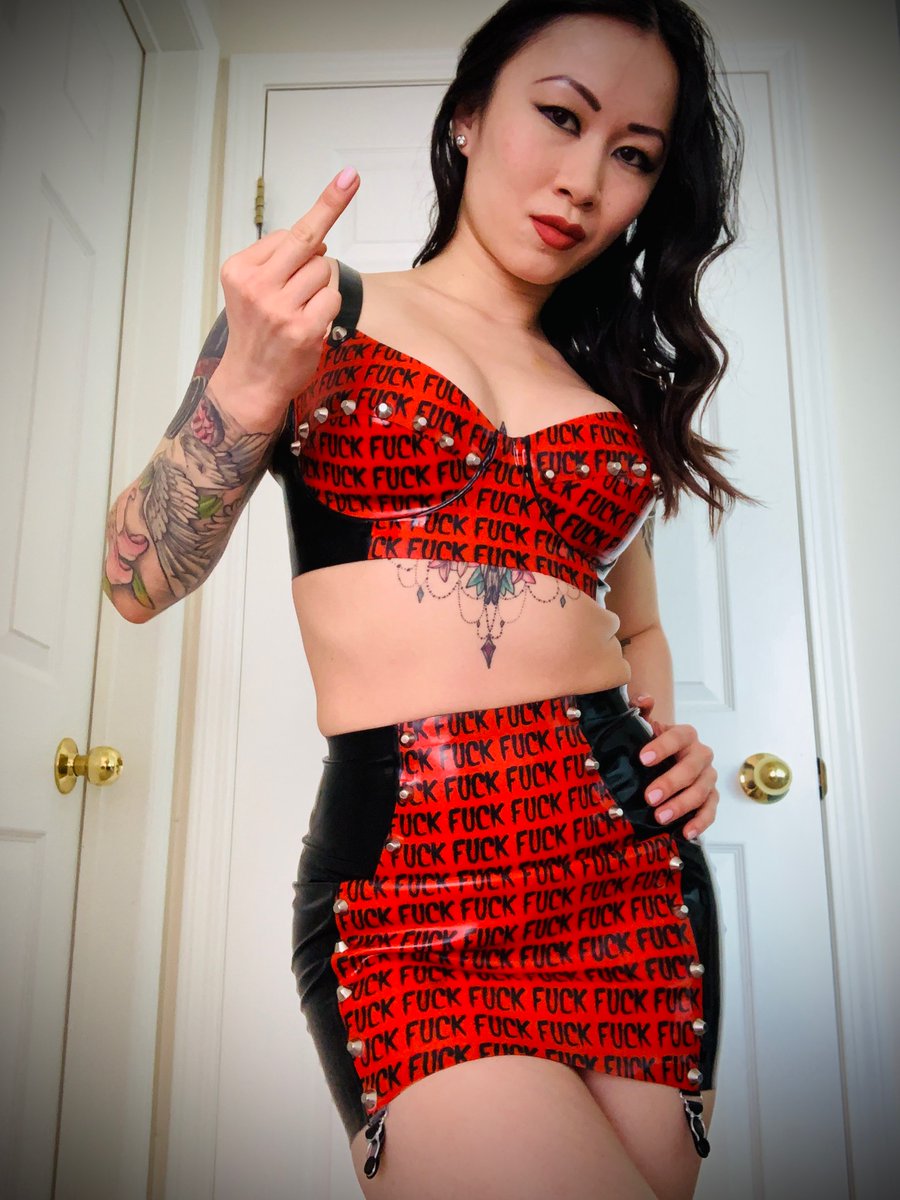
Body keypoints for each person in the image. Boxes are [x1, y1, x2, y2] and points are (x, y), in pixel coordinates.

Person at [103, 2, 758, 1196]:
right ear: (467, 116)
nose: (583, 181)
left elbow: (636, 621)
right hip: (413, 889)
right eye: (559, 116)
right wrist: (245, 388)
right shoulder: (321, 313)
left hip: (631, 880)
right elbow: (136, 578)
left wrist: (671, 749)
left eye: (632, 154)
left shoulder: (611, 390)